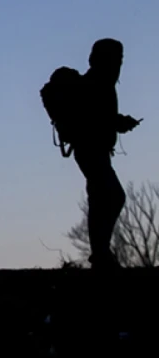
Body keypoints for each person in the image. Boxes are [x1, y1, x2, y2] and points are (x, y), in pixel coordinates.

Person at [72, 39, 141, 270]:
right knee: (113, 196)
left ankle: (100, 254)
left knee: (100, 198)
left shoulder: (100, 81)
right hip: (90, 150)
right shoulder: (97, 82)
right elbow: (95, 118)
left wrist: (118, 122)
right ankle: (100, 253)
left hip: (93, 150)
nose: (120, 63)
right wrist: (120, 123)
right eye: (117, 58)